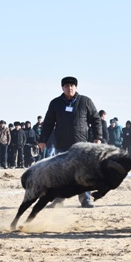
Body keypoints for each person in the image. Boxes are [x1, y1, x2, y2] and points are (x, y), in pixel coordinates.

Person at [38, 76, 102, 208]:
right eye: (66, 86)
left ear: (76, 87)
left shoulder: (85, 101)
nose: (70, 88)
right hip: (62, 143)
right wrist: (42, 139)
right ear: (62, 88)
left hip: (81, 144)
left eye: (72, 85)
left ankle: (86, 199)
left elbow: (96, 119)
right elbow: (48, 123)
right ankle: (58, 200)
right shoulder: (55, 103)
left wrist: (98, 137)